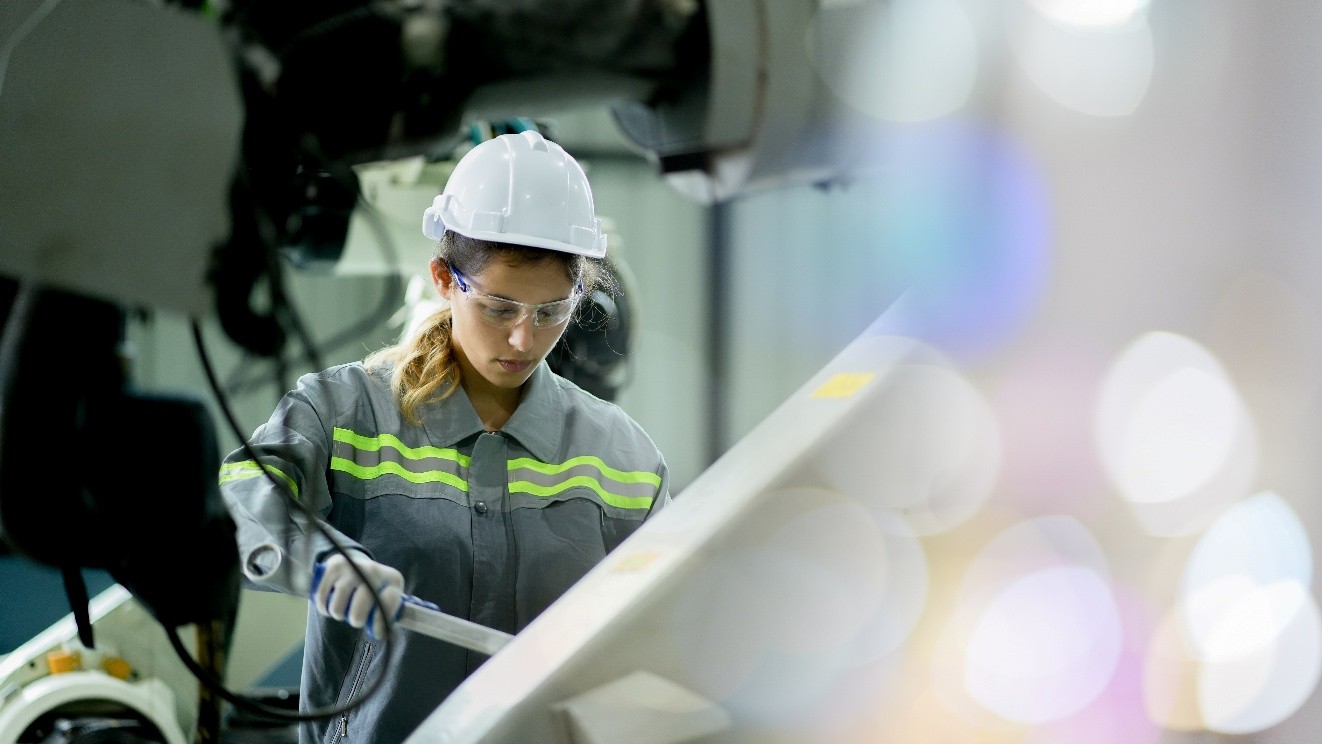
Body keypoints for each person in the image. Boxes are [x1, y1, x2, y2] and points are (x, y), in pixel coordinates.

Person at [217, 129, 671, 743]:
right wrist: (324, 561)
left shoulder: (626, 459)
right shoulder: (346, 411)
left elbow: (666, 633)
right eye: (500, 308)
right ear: (443, 277)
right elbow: (246, 491)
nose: (524, 340)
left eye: (551, 312)